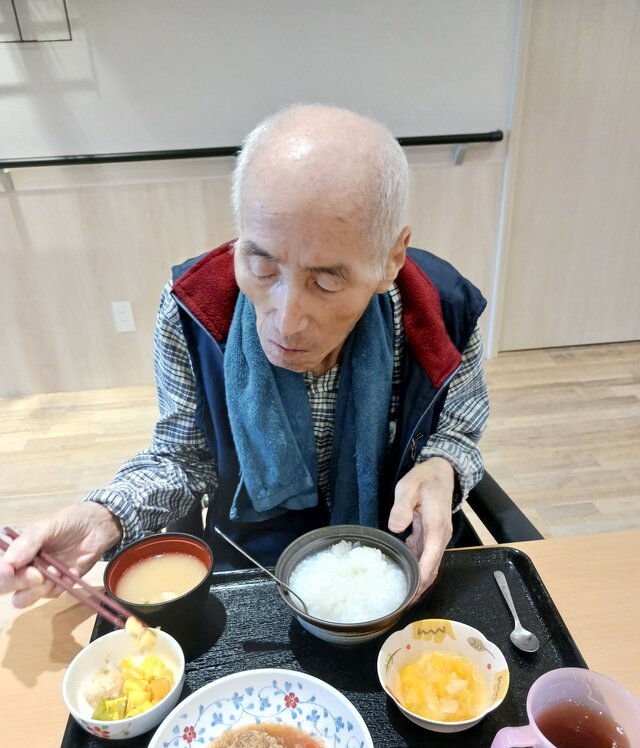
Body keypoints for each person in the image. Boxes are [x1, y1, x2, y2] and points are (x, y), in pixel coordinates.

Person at [0, 104, 489, 608]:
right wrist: (105, 516)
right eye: (262, 266)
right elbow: (182, 458)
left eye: (325, 282)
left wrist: (443, 464)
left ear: (391, 259)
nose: (286, 320)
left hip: (399, 559)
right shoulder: (193, 310)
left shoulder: (442, 312)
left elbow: (458, 430)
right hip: (251, 563)